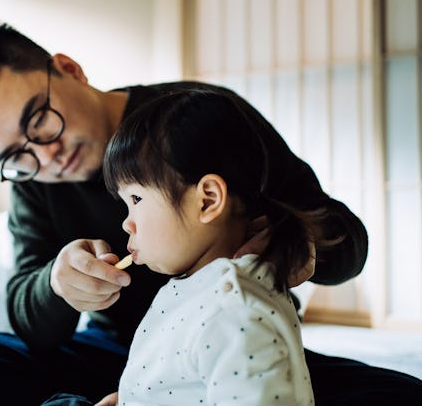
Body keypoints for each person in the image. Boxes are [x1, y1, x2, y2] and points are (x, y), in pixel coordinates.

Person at [0, 20, 422, 405]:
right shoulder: (36, 182)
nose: (45, 155)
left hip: (227, 349)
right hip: (119, 354)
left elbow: (343, 241)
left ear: (68, 68)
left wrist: (292, 241)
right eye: (14, 156)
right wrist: (58, 284)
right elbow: (28, 315)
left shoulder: (194, 121)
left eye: (39, 121)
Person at [102, 89, 317, 405]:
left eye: (136, 200)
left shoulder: (233, 311)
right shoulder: (203, 289)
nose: (127, 223)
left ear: (208, 200)